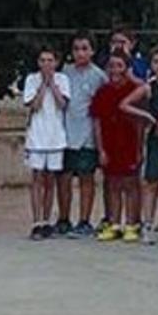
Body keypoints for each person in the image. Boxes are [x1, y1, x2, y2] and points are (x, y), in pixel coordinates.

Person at [120, 46, 158, 244]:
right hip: (157, 139)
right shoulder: (148, 87)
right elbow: (124, 104)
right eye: (156, 62)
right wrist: (147, 116)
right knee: (152, 182)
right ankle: (148, 225)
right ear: (151, 65)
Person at [57, 33, 108, 238]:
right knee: (64, 178)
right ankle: (63, 218)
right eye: (76, 48)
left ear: (92, 51)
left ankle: (84, 220)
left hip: (87, 136)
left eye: (85, 48)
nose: (80, 52)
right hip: (66, 134)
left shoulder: (99, 76)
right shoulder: (65, 72)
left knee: (86, 177)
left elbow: (102, 108)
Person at [91, 51, 142, 242]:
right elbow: (96, 122)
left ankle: (131, 224)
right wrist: (101, 149)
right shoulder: (102, 92)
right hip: (109, 143)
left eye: (119, 66)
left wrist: (139, 149)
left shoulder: (134, 90)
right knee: (112, 183)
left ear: (127, 68)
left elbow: (140, 123)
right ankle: (114, 223)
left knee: (130, 184)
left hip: (129, 142)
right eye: (111, 66)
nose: (115, 70)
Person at [22, 47, 71, 240]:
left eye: (50, 60)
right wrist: (43, 85)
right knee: (37, 178)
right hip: (37, 136)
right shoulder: (31, 80)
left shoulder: (63, 80)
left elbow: (63, 104)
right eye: (43, 60)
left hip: (56, 137)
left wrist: (53, 84)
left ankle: (47, 220)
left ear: (56, 63)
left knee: (51, 180)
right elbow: (34, 106)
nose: (46, 64)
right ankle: (36, 221)